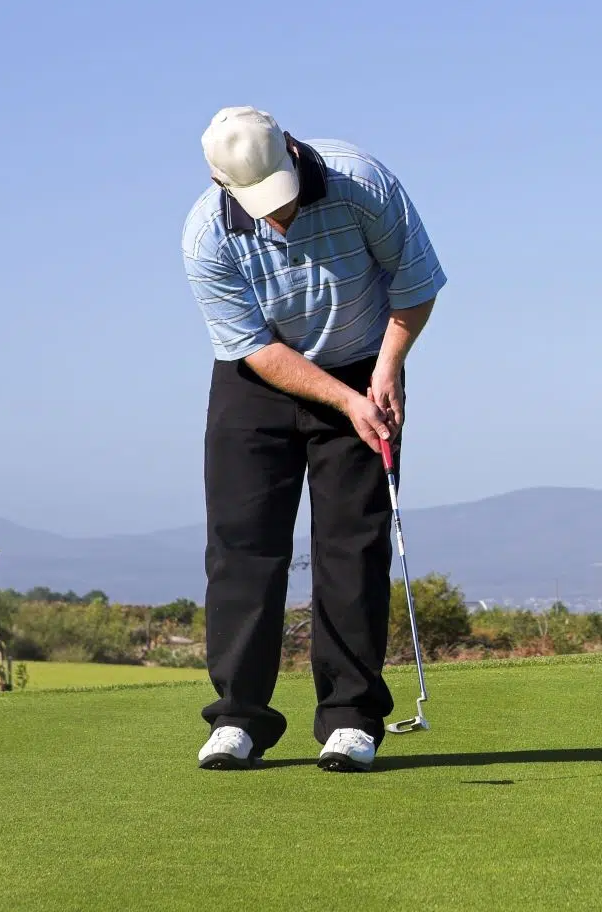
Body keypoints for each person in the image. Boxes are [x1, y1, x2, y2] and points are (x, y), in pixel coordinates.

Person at [181, 106, 446, 771]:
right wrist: (342, 399)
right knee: (241, 547)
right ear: (222, 184)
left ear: (293, 152)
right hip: (258, 380)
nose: (281, 216)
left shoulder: (363, 183)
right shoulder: (205, 236)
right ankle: (239, 718)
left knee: (351, 548)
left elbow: (415, 284)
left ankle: (351, 718)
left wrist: (387, 369)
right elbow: (256, 350)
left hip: (363, 357)